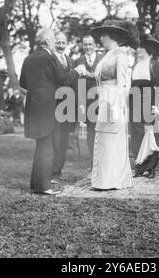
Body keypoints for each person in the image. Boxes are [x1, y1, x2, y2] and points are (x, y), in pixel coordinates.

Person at [20, 29, 85, 195]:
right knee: (46, 147)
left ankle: (37, 184)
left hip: (33, 105)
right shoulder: (49, 57)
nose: (56, 42)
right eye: (54, 39)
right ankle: (44, 186)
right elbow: (63, 80)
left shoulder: (29, 58)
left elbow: (24, 82)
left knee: (41, 145)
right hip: (48, 106)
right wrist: (77, 71)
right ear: (48, 41)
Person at [90, 19, 139, 190]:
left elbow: (124, 85)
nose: (101, 38)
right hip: (104, 99)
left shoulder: (121, 55)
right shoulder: (108, 55)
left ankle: (111, 180)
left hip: (114, 101)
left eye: (104, 35)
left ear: (113, 37)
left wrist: (116, 106)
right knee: (103, 138)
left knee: (110, 139)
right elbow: (99, 77)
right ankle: (103, 179)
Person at [129, 34, 159, 178]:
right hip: (135, 99)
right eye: (138, 49)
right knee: (137, 133)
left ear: (148, 50)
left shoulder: (154, 64)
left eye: (141, 49)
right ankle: (139, 166)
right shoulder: (136, 64)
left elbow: (158, 86)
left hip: (149, 99)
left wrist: (155, 105)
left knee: (151, 133)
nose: (139, 51)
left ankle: (151, 167)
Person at [73, 35, 104, 167]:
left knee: (103, 131)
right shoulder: (78, 60)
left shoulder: (102, 59)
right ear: (82, 46)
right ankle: (93, 162)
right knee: (91, 132)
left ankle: (104, 161)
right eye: (85, 44)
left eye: (90, 44)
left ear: (95, 45)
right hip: (87, 102)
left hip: (102, 101)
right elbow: (76, 84)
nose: (88, 47)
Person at [52, 31, 76, 182]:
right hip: (53, 107)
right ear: (53, 43)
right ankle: (51, 171)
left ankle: (58, 172)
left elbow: (73, 86)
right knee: (54, 140)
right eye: (58, 43)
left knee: (64, 142)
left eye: (63, 43)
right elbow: (59, 81)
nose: (60, 46)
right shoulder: (50, 60)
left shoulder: (71, 61)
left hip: (68, 108)